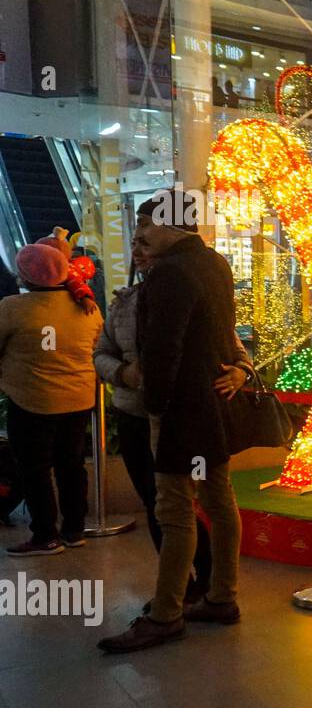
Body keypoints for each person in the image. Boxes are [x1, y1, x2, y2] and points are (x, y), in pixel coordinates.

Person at [98, 190, 249, 653]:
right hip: (212, 406)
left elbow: (164, 351)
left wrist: (156, 406)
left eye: (147, 223)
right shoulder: (214, 264)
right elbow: (222, 335)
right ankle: (222, 597)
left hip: (179, 412)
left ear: (174, 226)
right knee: (219, 503)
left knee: (174, 511)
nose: (140, 233)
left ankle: (166, 615)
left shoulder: (169, 275)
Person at [0, 239, 102, 556]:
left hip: (31, 400)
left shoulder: (12, 309)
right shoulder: (88, 307)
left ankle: (45, 534)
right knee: (71, 464)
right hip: (78, 399)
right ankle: (74, 529)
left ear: (25, 276)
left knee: (35, 468)